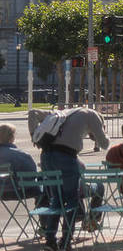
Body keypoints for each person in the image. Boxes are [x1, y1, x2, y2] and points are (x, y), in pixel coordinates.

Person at [36, 107, 110, 251]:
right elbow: (104, 144)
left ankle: (50, 240)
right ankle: (66, 240)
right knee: (72, 200)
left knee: (56, 199)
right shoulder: (92, 115)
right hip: (65, 156)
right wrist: (102, 134)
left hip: (46, 156)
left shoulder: (68, 113)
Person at [0, 123, 40, 200]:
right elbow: (32, 174)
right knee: (43, 184)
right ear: (12, 137)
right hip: (18, 191)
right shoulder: (20, 155)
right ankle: (43, 206)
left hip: (2, 191)